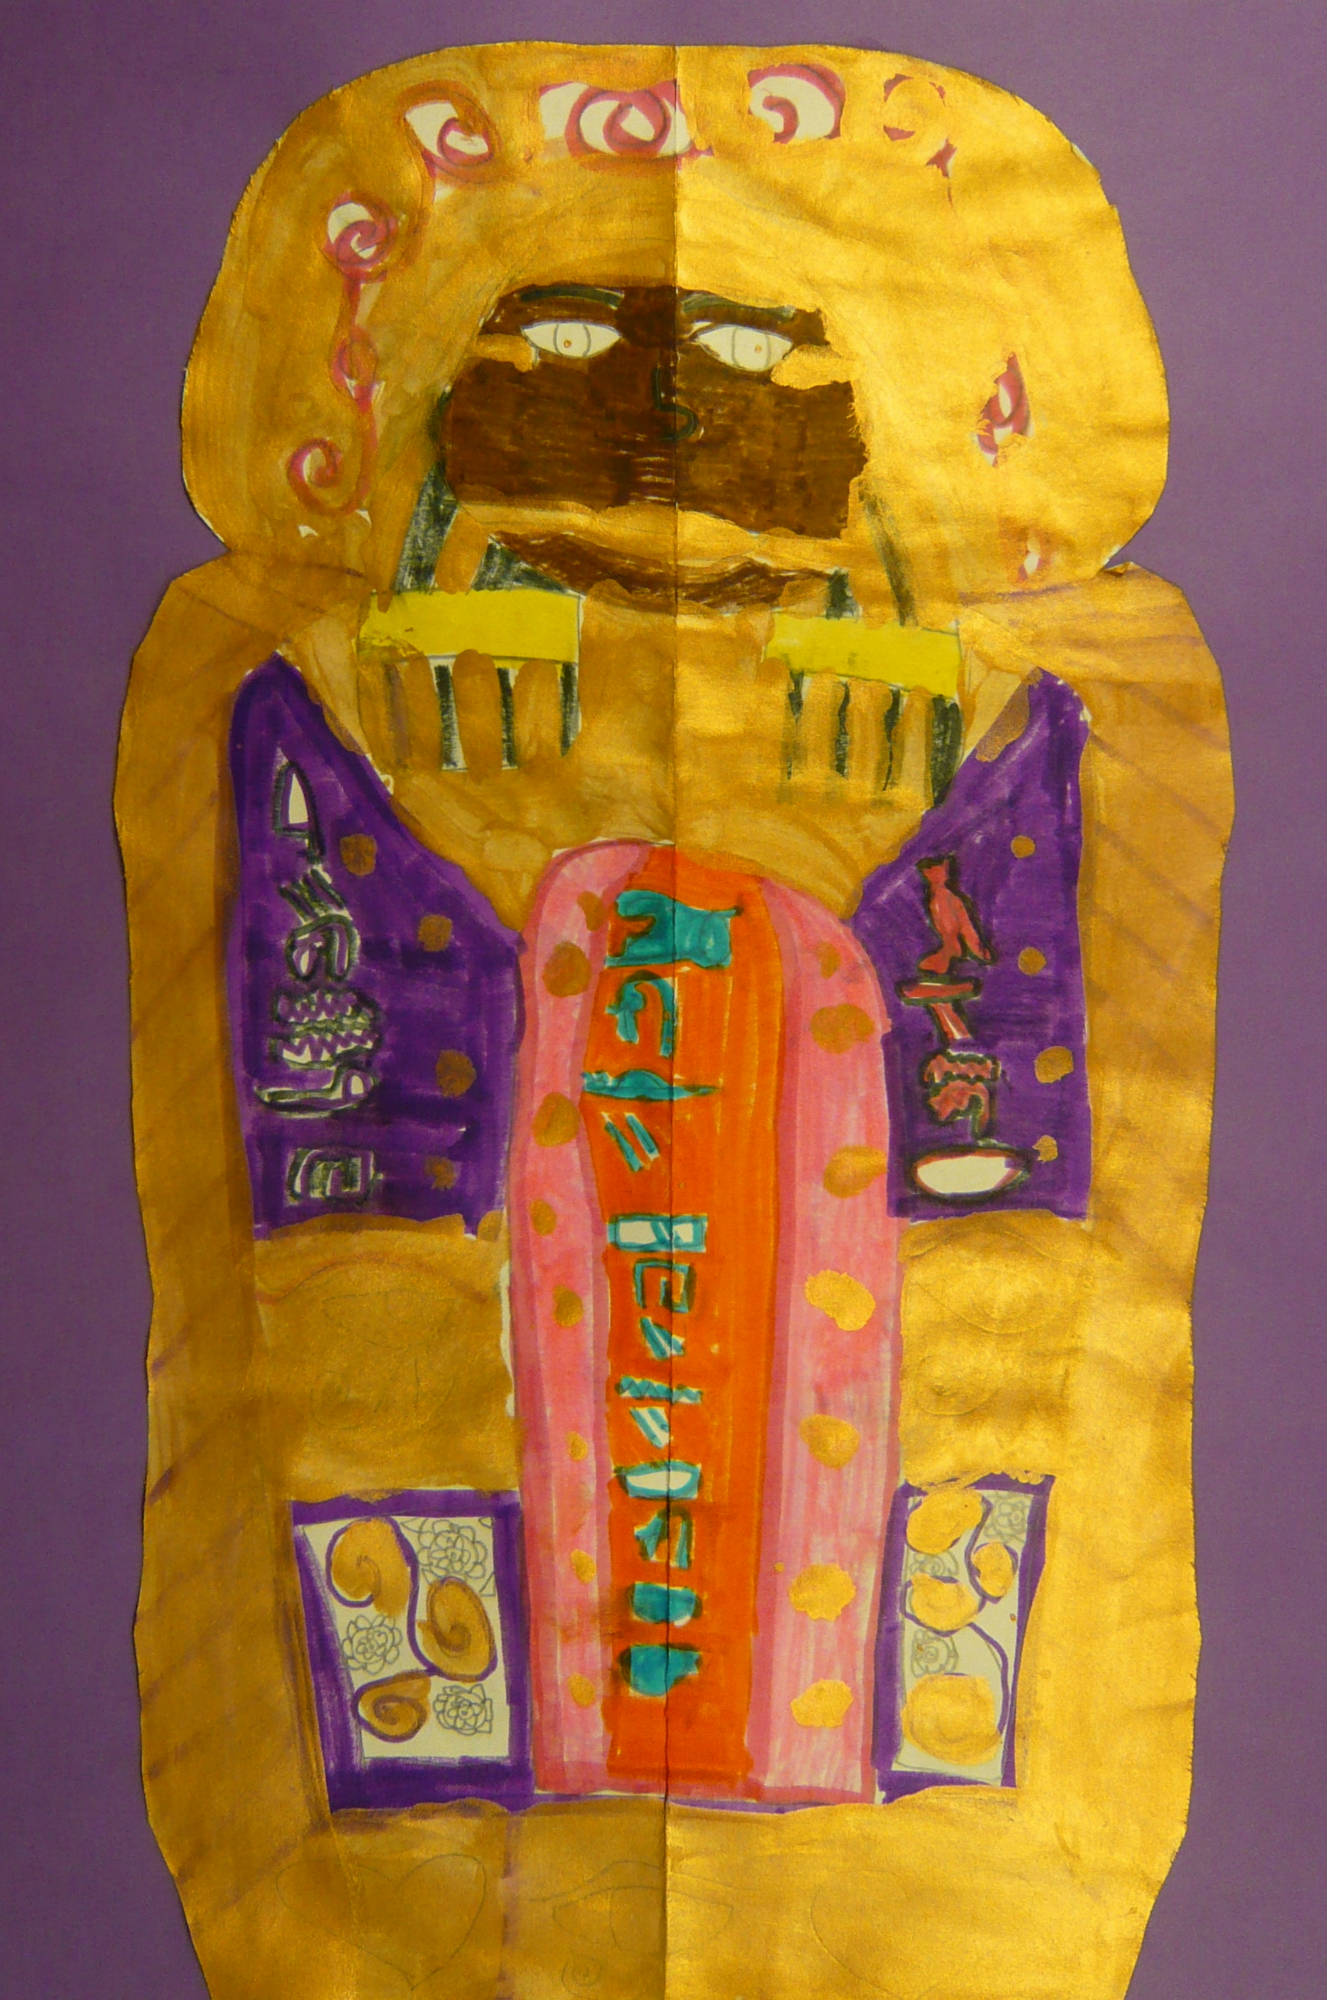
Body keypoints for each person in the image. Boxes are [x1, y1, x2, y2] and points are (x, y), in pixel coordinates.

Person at [118, 43, 1230, 2000]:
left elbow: (1051, 1133)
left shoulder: (1039, 696)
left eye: (747, 363)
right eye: (564, 348)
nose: (663, 435)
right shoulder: (291, 673)